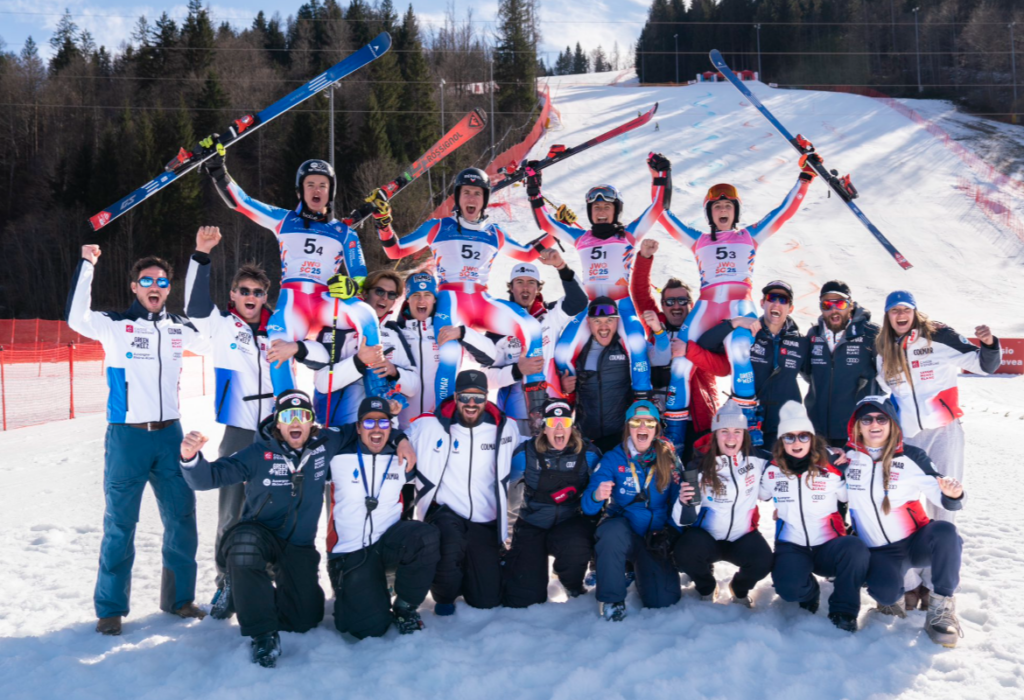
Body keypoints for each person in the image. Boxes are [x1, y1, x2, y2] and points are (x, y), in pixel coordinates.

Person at [178, 390, 418, 666]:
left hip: (298, 545)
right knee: (244, 548)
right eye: (288, 416)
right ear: (277, 422)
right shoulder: (258, 452)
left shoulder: (325, 443)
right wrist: (190, 458)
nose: (296, 422)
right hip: (259, 534)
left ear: (311, 422)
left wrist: (401, 438)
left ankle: (254, 593)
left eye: (303, 416)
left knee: (304, 619)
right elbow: (209, 477)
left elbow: (365, 425)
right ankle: (262, 634)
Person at [67, 245, 206, 636]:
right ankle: (111, 609)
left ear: (169, 288)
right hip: (128, 437)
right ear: (134, 287)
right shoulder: (114, 325)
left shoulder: (179, 327)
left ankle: (180, 600)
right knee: (120, 524)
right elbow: (76, 316)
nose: (155, 286)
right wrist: (88, 264)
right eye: (147, 281)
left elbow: (215, 336)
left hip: (171, 437)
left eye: (162, 281)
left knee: (181, 518)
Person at [654, 153, 816, 438]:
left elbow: (783, 212)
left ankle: (750, 427)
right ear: (710, 213)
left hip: (740, 306)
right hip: (705, 307)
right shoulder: (698, 240)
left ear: (735, 211)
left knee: (742, 350)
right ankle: (675, 441)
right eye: (717, 206)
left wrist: (805, 177)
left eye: (728, 205)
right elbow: (663, 216)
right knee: (679, 361)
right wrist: (660, 178)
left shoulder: (748, 237)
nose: (723, 210)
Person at [204, 150, 385, 397]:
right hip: (293, 303)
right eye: (310, 184)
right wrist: (218, 170)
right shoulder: (283, 220)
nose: (316, 190)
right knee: (276, 346)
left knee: (366, 314)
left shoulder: (344, 232)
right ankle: (288, 410)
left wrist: (352, 287)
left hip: (325, 302)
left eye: (323, 185)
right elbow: (243, 203)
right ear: (300, 191)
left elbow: (361, 276)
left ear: (329, 192)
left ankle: (380, 393)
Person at [373, 167, 557, 411]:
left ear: (484, 199)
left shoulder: (495, 233)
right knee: (449, 354)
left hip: (482, 299)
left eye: (477, 194)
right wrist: (383, 223)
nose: (471, 199)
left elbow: (527, 253)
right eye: (466, 193)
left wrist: (556, 228)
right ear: (458, 197)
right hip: (451, 300)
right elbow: (395, 251)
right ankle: (444, 414)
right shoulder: (438, 227)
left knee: (531, 328)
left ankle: (537, 411)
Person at [184, 226, 276, 619]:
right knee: (232, 512)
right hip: (238, 429)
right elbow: (194, 308)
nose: (251, 298)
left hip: (276, 429)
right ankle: (226, 584)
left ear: (265, 297)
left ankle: (269, 580)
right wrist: (201, 256)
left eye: (257, 292)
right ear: (233, 296)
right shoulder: (223, 326)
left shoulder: (281, 327)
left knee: (274, 507)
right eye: (244, 291)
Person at [525, 154, 669, 397]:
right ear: (590, 212)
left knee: (636, 343)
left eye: (607, 207)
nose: (601, 211)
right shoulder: (582, 238)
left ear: (616, 211)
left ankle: (642, 402)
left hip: (621, 308)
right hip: (589, 309)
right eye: (596, 207)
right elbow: (546, 224)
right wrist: (533, 187)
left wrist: (661, 175)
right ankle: (569, 400)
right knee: (561, 352)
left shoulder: (628, 235)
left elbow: (657, 208)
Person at [844, 396, 965, 647]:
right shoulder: (847, 460)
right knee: (885, 593)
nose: (874, 424)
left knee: (946, 533)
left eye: (881, 418)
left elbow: (941, 495)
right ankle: (892, 599)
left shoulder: (912, 457)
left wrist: (952, 494)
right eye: (866, 419)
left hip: (915, 542)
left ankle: (940, 609)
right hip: (881, 551)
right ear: (856, 426)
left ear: (892, 424)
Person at [325, 397, 440, 639]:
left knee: (425, 537)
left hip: (388, 542)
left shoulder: (402, 456)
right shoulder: (338, 455)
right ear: (357, 427)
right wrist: (400, 435)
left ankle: (405, 607)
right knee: (365, 629)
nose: (376, 429)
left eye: (383, 423)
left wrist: (401, 438)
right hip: (350, 550)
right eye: (368, 423)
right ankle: (360, 592)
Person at [408, 369, 521, 614]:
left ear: (486, 398)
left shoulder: (505, 427)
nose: (471, 403)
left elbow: (528, 452)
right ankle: (444, 596)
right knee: (449, 547)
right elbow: (399, 439)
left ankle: (473, 577)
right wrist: (400, 441)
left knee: (486, 599)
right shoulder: (429, 424)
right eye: (465, 397)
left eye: (479, 397)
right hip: (446, 512)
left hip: (485, 519)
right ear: (456, 396)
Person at [582, 400, 695, 621]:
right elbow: (587, 506)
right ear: (628, 427)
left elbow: (679, 504)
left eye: (649, 423)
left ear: (656, 429)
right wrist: (597, 496)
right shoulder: (613, 458)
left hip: (654, 539)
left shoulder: (669, 458)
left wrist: (671, 533)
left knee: (664, 600)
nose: (642, 428)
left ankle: (640, 569)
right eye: (636, 422)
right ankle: (612, 598)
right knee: (610, 531)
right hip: (625, 533)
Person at [761, 401, 869, 632]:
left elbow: (855, 493)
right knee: (788, 590)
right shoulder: (771, 470)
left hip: (829, 545)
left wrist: (852, 457)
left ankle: (844, 610)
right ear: (781, 441)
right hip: (792, 545)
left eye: (803, 436)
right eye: (789, 437)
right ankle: (810, 591)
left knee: (855, 548)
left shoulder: (832, 467)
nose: (796, 442)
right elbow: (757, 494)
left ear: (812, 438)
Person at [270, 270, 420, 427]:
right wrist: (358, 362)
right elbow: (322, 383)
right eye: (379, 291)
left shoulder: (394, 333)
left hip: (379, 429)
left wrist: (394, 371)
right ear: (365, 293)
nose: (384, 298)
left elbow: (413, 386)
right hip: (340, 428)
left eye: (391, 295)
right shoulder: (335, 327)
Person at [630, 238, 729, 460]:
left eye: (682, 301)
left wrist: (690, 351)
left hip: (698, 417)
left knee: (694, 478)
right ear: (663, 305)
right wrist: (645, 258)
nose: (676, 305)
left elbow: (723, 368)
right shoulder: (657, 325)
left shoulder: (703, 329)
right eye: (670, 301)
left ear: (691, 305)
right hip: (658, 417)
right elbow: (640, 294)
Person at [672, 400, 773, 607]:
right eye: (724, 431)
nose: (731, 437)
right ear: (715, 434)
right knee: (684, 552)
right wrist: (684, 502)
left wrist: (832, 456)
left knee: (763, 561)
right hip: (707, 538)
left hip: (742, 536)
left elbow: (794, 461)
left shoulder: (759, 460)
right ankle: (707, 586)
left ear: (744, 434)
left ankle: (740, 588)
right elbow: (683, 520)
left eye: (737, 431)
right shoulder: (698, 466)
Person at [504, 400, 603, 607]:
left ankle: (572, 583)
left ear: (572, 426)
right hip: (532, 522)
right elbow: (511, 498)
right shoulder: (525, 454)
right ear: (544, 427)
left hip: (570, 523)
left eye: (564, 422)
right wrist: (510, 538)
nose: (559, 428)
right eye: (553, 423)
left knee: (575, 545)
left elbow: (601, 495)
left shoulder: (589, 454)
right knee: (526, 599)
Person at [484, 252, 588, 436]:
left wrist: (561, 266)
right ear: (510, 287)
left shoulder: (550, 316)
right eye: (519, 282)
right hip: (514, 416)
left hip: (552, 412)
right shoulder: (498, 324)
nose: (525, 288)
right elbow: (486, 378)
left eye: (531, 282)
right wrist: (517, 370)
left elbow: (579, 302)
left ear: (538, 288)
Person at [699, 280, 808, 447]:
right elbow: (705, 344)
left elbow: (816, 375)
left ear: (790, 308)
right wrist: (733, 323)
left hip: (785, 427)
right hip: (748, 424)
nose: (776, 303)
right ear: (763, 303)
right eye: (772, 298)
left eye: (783, 300)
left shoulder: (801, 342)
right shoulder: (745, 333)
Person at [803, 280, 880, 447]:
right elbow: (807, 373)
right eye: (827, 304)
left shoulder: (871, 334)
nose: (834, 309)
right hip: (818, 432)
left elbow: (889, 374)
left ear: (851, 305)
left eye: (840, 303)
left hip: (857, 431)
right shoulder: (813, 335)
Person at [558, 298, 638, 453]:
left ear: (617, 322)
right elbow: (564, 394)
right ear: (588, 322)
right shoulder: (579, 352)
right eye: (597, 321)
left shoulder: (626, 347)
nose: (603, 327)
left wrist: (659, 332)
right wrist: (564, 387)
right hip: (587, 436)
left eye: (609, 320)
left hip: (620, 436)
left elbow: (659, 357)